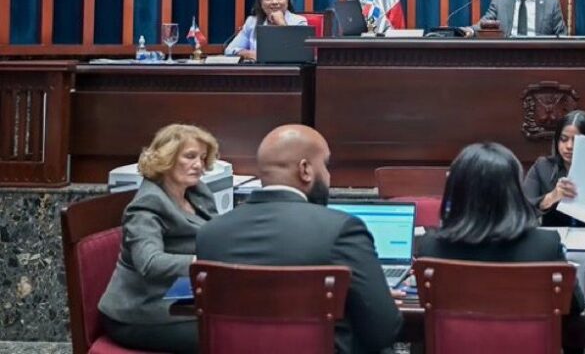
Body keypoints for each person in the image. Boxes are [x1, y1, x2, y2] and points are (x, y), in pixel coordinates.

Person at [196, 125, 402, 354]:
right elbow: (383, 330)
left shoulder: (210, 234)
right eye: (326, 165)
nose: (329, 176)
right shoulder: (341, 229)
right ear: (305, 169)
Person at [417, 142, 583, 315]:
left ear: (456, 192)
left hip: (454, 334)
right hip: (524, 333)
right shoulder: (545, 246)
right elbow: (575, 307)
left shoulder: (431, 248)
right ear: (515, 192)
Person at [98, 124, 220, 354]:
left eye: (203, 158)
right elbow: (150, 262)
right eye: (190, 156)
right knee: (226, 336)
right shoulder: (146, 205)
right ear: (167, 158)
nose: (199, 165)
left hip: (180, 297)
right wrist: (202, 263)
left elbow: (215, 232)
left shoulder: (197, 193)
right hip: (140, 314)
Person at [224, 0, 308, 60]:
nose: (274, 2)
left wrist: (281, 23)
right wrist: (249, 54)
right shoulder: (252, 22)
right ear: (260, 3)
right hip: (259, 69)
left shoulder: (299, 21)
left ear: (287, 0)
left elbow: (299, 52)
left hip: (289, 69)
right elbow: (229, 50)